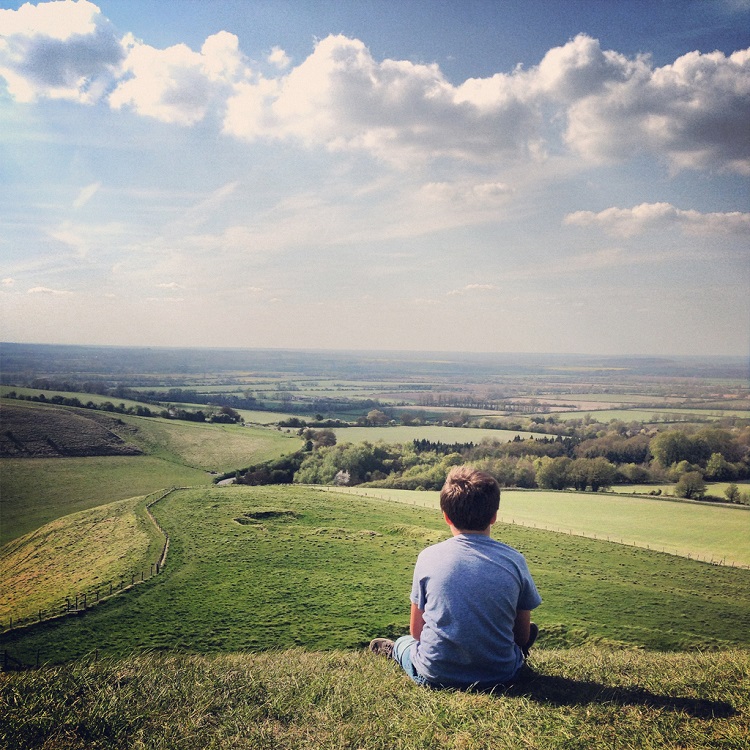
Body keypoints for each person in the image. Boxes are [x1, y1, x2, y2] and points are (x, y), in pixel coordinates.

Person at [369, 466, 541, 691]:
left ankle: (397, 653)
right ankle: (506, 652)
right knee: (517, 640)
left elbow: (416, 632)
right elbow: (521, 636)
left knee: (404, 642)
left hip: (436, 675)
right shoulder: (515, 560)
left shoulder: (428, 557)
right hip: (502, 675)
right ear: (494, 516)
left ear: (446, 516)